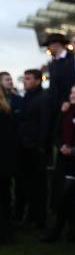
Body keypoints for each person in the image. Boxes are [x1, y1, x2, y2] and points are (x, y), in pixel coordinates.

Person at [41, 83, 75, 242]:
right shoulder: (66, 111)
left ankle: (61, 230)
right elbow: (56, 133)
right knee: (63, 196)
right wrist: (61, 146)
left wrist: (73, 149)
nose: (72, 95)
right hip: (63, 159)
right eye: (71, 92)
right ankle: (69, 230)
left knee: (68, 196)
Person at [18, 69, 49, 229]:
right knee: (28, 185)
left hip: (36, 149)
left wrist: (41, 146)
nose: (25, 81)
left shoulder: (43, 98)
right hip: (25, 148)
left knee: (39, 186)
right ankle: (31, 216)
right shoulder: (27, 96)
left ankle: (39, 219)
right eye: (25, 78)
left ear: (38, 80)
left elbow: (44, 124)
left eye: (28, 78)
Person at [0, 86, 18, 243]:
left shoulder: (4, 115)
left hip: (3, 164)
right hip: (5, 165)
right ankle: (7, 232)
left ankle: (5, 233)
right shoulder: (7, 113)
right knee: (5, 199)